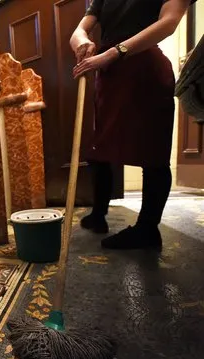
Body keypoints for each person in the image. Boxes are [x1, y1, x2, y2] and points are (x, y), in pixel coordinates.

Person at [70, 0, 193, 250]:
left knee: (152, 153)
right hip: (110, 74)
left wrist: (114, 53)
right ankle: (99, 214)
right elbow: (80, 29)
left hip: (143, 69)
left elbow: (169, 22)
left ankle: (147, 229)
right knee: (99, 149)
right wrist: (81, 40)